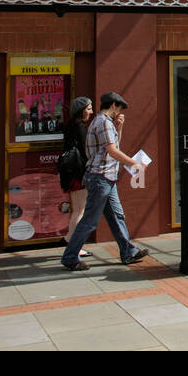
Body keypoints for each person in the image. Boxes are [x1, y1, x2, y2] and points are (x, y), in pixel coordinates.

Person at [60, 92, 149, 270]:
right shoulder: (103, 122)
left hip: (106, 177)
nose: (120, 112)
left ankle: (128, 252)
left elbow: (114, 147)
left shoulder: (104, 123)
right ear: (114, 105)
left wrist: (119, 128)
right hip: (101, 177)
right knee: (90, 221)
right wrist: (135, 164)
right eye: (120, 108)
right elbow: (112, 151)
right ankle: (70, 257)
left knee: (116, 216)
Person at [60, 96, 94, 257]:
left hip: (72, 172)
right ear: (81, 111)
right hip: (78, 172)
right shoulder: (80, 127)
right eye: (88, 109)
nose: (91, 112)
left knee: (78, 208)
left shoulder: (70, 125)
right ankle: (74, 244)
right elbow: (85, 150)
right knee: (79, 210)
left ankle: (68, 238)